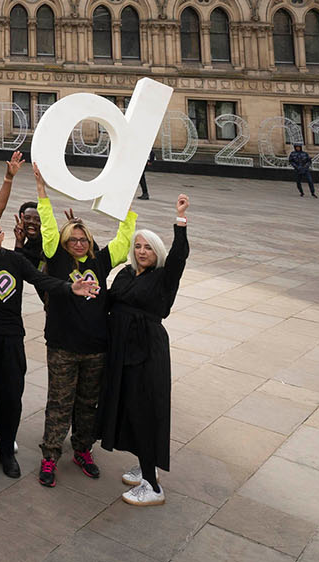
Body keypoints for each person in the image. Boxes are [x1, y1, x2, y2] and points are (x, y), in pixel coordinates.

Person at [28, 163, 137, 488]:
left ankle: (82, 450)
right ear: (64, 242)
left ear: (89, 240)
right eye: (72, 239)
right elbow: (48, 228)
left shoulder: (102, 261)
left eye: (82, 238)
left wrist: (127, 206)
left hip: (95, 349)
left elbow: (124, 239)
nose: (78, 243)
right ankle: (50, 456)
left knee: (87, 404)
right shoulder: (57, 259)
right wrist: (42, 192)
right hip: (62, 346)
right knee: (59, 403)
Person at [0, 212, 86, 478]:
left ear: (3, 236)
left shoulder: (15, 260)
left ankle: (6, 450)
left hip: (11, 338)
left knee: (11, 397)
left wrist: (69, 288)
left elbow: (41, 280)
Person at [98, 195, 191, 507]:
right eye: (138, 246)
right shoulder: (126, 273)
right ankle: (144, 465)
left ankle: (152, 486)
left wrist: (180, 221)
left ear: (158, 251)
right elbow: (108, 300)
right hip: (121, 348)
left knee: (144, 410)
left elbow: (180, 256)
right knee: (128, 407)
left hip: (147, 349)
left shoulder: (163, 278)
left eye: (148, 247)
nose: (141, 251)